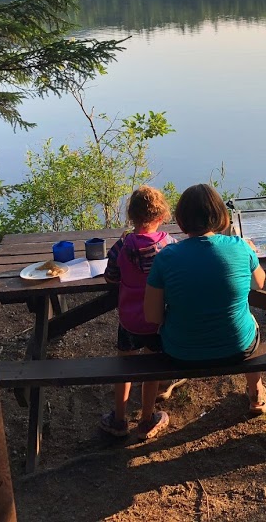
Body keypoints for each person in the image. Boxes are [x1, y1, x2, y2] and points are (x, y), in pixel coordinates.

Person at [144, 183, 266, 417]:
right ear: (221, 215)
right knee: (250, 320)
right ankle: (256, 390)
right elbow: (259, 283)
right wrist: (250, 252)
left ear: (181, 220)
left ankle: (167, 381)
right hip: (237, 348)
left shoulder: (166, 257)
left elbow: (152, 316)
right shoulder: (240, 247)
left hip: (180, 353)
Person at [99, 186, 181, 440]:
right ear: (162, 216)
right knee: (151, 368)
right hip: (157, 320)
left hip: (129, 320)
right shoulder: (168, 245)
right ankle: (147, 418)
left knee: (125, 366)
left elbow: (111, 277)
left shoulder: (121, 246)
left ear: (131, 216)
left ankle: (119, 418)